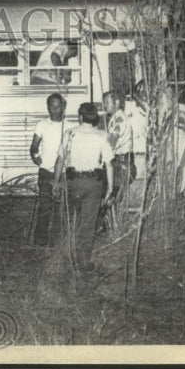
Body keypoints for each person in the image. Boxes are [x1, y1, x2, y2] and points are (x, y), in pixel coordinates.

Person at [53, 102, 114, 272]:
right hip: (94, 184)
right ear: (95, 118)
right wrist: (109, 189)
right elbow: (109, 164)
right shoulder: (102, 136)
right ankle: (84, 261)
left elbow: (60, 160)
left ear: (80, 117)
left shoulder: (69, 134)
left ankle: (67, 257)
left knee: (71, 219)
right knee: (88, 222)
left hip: (73, 182)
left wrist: (56, 182)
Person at [28, 93, 67, 246]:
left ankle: (57, 240)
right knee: (45, 205)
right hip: (46, 171)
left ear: (63, 107)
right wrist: (34, 156)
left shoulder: (69, 126)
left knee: (61, 207)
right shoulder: (42, 124)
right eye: (52, 106)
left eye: (58, 106)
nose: (55, 110)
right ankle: (40, 239)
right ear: (48, 107)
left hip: (63, 172)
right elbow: (34, 146)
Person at [99, 91, 135, 231]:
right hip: (121, 161)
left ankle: (104, 225)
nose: (105, 106)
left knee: (111, 195)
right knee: (113, 195)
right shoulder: (116, 118)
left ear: (117, 103)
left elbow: (112, 142)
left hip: (121, 162)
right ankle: (111, 227)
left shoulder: (118, 119)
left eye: (107, 103)